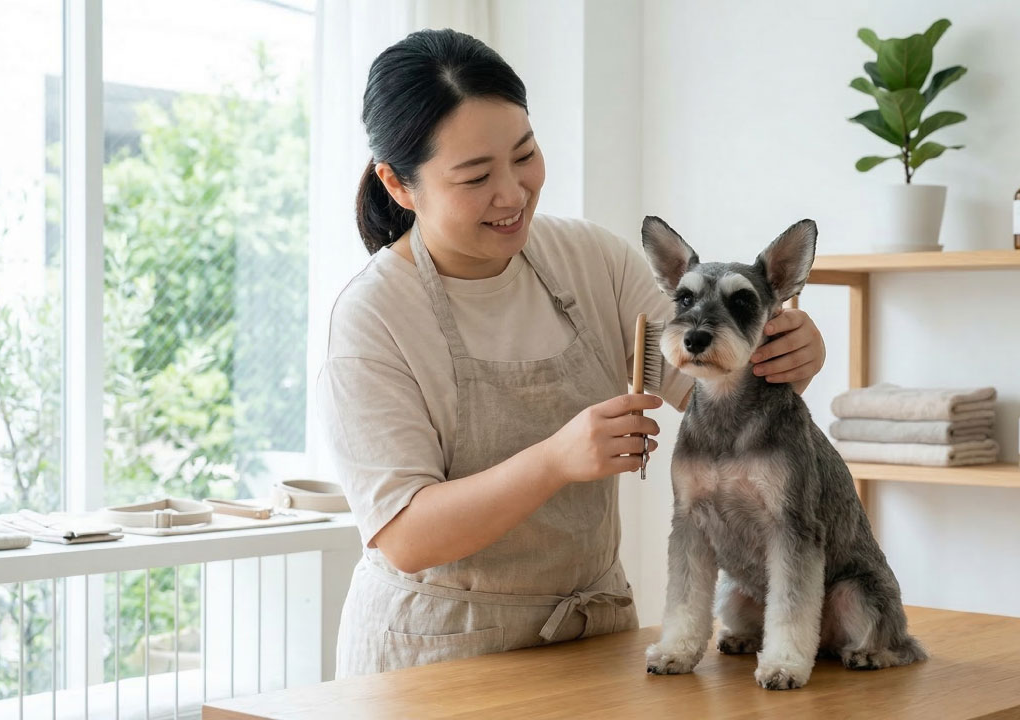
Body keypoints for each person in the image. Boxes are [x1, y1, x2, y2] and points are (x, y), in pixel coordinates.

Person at [317, 28, 827, 677]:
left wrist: (786, 355)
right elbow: (407, 536)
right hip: (435, 655)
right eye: (475, 176)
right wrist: (556, 460)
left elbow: (700, 384)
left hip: (589, 640)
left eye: (524, 154)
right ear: (399, 184)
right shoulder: (373, 318)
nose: (513, 193)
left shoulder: (592, 260)